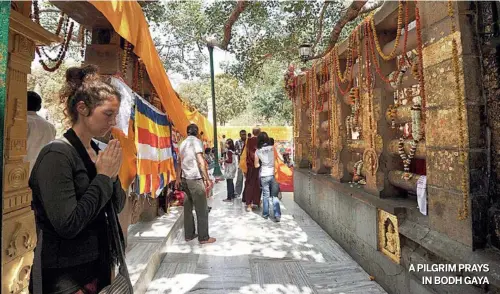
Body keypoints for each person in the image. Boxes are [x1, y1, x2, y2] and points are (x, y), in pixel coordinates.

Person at [29, 65, 127, 293]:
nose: (112, 122)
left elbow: (117, 205)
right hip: (65, 274)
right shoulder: (57, 155)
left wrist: (111, 176)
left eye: (115, 115)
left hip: (96, 264)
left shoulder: (97, 150)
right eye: (108, 114)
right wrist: (103, 176)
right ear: (82, 108)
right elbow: (68, 225)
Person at [175, 123, 216, 244]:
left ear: (187, 132)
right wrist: (207, 178)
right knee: (202, 208)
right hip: (195, 178)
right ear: (197, 133)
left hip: (185, 178)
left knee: (187, 208)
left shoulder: (182, 144)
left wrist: (178, 178)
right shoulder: (196, 142)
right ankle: (203, 237)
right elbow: (200, 161)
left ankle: (189, 234)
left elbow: (178, 162)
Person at [25, 91, 57, 176]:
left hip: (19, 175)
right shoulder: (50, 127)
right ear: (39, 107)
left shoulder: (20, 123)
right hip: (41, 175)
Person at [255, 132, 281, 222]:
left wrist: (262, 162)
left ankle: (265, 214)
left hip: (264, 175)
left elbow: (256, 165)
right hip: (274, 174)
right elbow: (279, 159)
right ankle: (277, 215)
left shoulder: (257, 151)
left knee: (265, 195)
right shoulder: (273, 148)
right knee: (275, 196)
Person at [243, 127, 261, 211]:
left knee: (250, 183)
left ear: (252, 132)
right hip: (258, 165)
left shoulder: (248, 140)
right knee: (257, 183)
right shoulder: (260, 140)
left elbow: (244, 153)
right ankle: (256, 201)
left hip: (250, 165)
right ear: (259, 132)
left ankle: (249, 204)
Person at [234, 130, 247, 197]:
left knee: (248, 179)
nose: (243, 135)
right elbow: (235, 150)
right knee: (239, 178)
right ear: (240, 135)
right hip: (240, 163)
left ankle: (247, 193)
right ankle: (237, 193)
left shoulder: (248, 141)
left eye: (245, 134)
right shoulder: (237, 142)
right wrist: (241, 154)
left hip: (248, 163)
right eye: (242, 134)